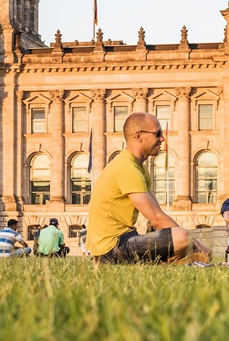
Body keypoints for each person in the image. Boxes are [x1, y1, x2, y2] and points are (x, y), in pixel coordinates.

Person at [87, 111, 210, 264]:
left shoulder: (139, 168)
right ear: (138, 136)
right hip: (111, 249)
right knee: (182, 237)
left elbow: (158, 215)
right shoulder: (126, 167)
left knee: (180, 236)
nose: (162, 138)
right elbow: (157, 219)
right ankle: (168, 263)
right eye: (157, 134)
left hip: (125, 239)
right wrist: (198, 246)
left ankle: (165, 264)